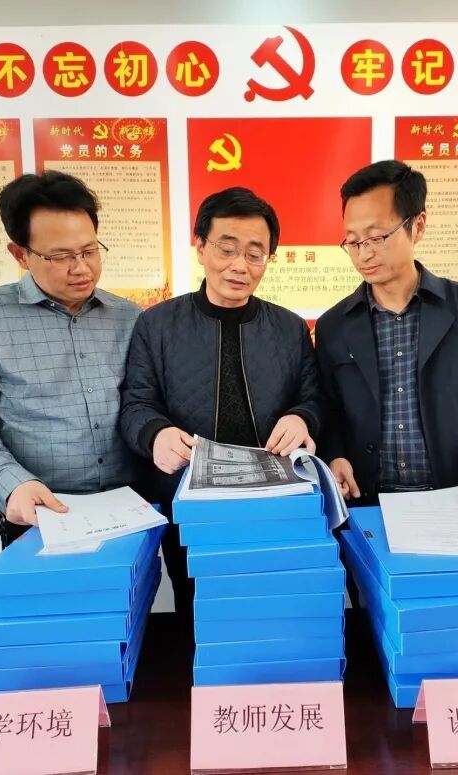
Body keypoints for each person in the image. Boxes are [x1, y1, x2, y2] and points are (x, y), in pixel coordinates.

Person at [119, 187, 323, 609]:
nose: (239, 266)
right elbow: (136, 404)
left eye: (255, 254)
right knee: (198, 607)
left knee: (273, 605)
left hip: (274, 501)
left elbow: (314, 397)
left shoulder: (289, 328)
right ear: (200, 247)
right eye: (226, 249)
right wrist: (155, 434)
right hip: (190, 501)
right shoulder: (157, 325)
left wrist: (303, 418)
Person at [0, 171, 142, 545]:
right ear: (20, 254)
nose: (81, 267)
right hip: (35, 516)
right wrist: (13, 483)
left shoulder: (129, 317)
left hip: (131, 509)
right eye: (60, 256)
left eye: (89, 251)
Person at [315, 160, 458, 505]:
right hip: (367, 505)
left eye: (377, 237)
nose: (364, 253)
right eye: (353, 241)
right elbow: (329, 410)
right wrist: (334, 455)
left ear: (418, 225)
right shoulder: (333, 325)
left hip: (457, 498)